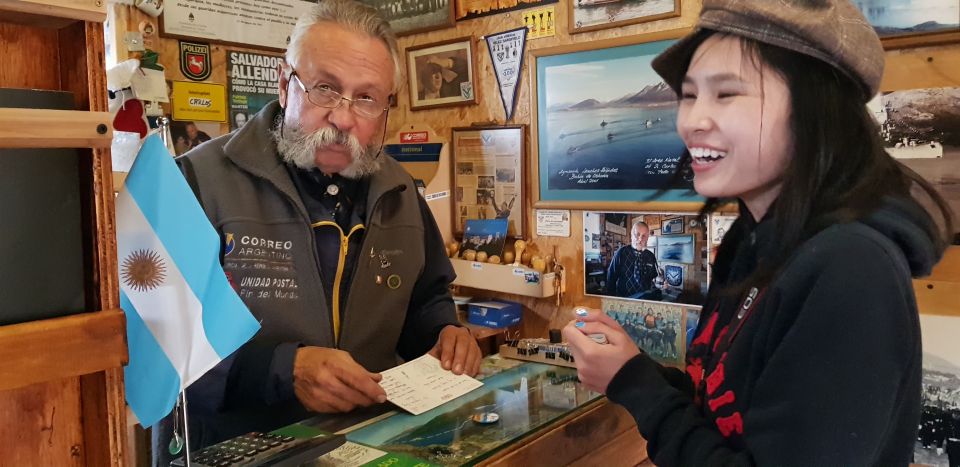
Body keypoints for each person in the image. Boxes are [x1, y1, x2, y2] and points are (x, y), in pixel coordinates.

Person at [564, 0, 954, 465]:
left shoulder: (852, 268)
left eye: (726, 94)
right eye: (688, 95)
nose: (692, 121)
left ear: (816, 111)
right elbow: (730, 412)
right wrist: (635, 372)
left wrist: (633, 383)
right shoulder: (749, 241)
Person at [155, 1, 481, 464]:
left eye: (366, 98)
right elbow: (156, 346)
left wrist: (445, 332)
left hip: (367, 448)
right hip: (234, 454)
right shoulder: (194, 184)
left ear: (386, 108)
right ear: (285, 84)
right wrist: (282, 370)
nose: (343, 119)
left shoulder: (402, 192)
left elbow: (425, 296)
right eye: (325, 89)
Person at [606, 221, 662, 300]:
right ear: (631, 235)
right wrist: (611, 300)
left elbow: (655, 278)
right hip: (624, 300)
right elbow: (611, 278)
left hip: (645, 299)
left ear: (647, 238)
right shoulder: (621, 253)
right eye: (637, 234)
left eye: (644, 236)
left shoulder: (651, 256)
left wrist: (660, 283)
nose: (640, 239)